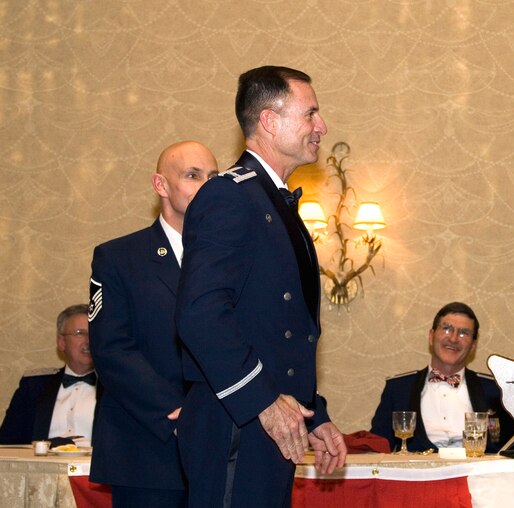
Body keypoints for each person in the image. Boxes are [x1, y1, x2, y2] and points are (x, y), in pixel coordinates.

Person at [175, 66, 347, 507]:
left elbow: (277, 328)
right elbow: (201, 313)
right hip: (236, 420)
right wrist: (262, 401)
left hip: (268, 421)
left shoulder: (271, 200)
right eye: (310, 114)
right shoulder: (228, 196)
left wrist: (313, 416)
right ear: (269, 121)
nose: (321, 127)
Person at [87, 141, 218, 507]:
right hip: (148, 449)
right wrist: (179, 411)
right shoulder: (119, 257)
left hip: (220, 447)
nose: (206, 187)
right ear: (161, 185)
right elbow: (112, 349)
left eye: (213, 177)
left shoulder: (231, 259)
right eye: (193, 176)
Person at [370, 302, 514, 453]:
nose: (454, 339)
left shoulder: (495, 390)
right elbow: (376, 447)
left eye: (464, 333)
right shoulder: (398, 389)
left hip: (475, 475)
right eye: (447, 329)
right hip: (419, 475)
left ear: (473, 345)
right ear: (431, 336)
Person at [0, 304, 99, 445]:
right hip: (43, 465)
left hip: (94, 466)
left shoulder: (115, 387)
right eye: (79, 333)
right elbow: (7, 443)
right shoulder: (33, 386)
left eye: (94, 333)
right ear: (61, 342)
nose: (88, 341)